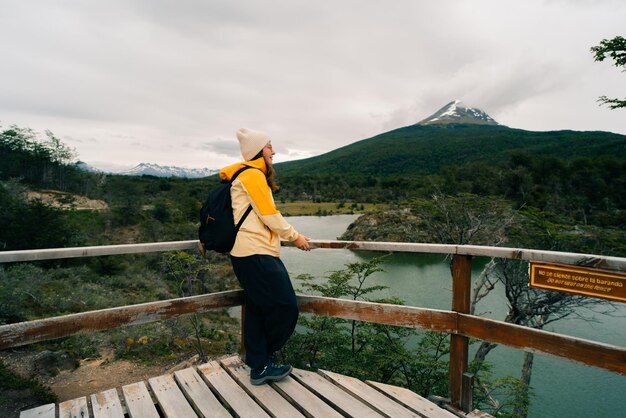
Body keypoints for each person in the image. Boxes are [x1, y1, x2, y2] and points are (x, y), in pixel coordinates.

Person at [220, 127, 311, 385]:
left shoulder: (245, 175)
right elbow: (269, 214)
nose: (274, 151)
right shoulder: (252, 176)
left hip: (247, 254)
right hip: (255, 253)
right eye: (270, 146)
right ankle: (264, 357)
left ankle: (259, 366)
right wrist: (295, 237)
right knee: (286, 307)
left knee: (259, 310)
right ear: (259, 150)